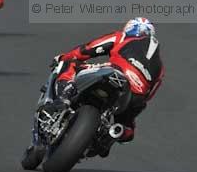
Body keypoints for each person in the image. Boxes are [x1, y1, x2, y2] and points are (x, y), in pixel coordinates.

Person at [40, 17, 164, 156]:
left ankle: (64, 97)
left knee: (68, 64)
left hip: (114, 73)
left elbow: (87, 49)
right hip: (134, 96)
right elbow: (149, 95)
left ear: (129, 28)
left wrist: (65, 57)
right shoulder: (160, 68)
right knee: (127, 129)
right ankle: (110, 136)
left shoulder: (122, 37)